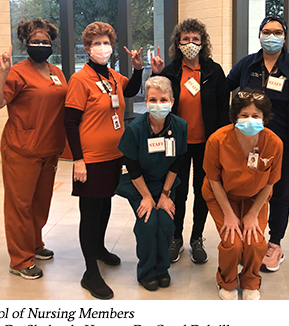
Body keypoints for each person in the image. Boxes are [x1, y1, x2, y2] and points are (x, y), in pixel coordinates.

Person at [227, 15, 289, 272]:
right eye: (267, 31)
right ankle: (249, 239)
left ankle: (275, 244)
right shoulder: (248, 64)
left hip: (285, 144)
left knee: (280, 193)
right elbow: (222, 87)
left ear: (284, 36)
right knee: (249, 190)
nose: (272, 36)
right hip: (249, 143)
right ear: (259, 34)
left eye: (277, 31)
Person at [64, 22, 143, 300]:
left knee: (105, 203)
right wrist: (79, 160)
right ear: (87, 48)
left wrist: (138, 68)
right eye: (96, 43)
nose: (102, 47)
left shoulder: (112, 76)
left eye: (106, 42)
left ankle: (98, 248)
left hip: (113, 155)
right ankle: (89, 272)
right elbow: (71, 122)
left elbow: (131, 90)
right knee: (90, 210)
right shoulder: (80, 80)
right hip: (91, 158)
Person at [0, 18, 67, 280]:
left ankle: (35, 244)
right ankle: (20, 260)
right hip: (21, 148)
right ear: (26, 42)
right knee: (20, 205)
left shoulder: (56, 72)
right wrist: (2, 72)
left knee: (40, 203)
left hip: (50, 147)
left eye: (45, 41)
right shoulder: (18, 72)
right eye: (35, 41)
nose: (41, 45)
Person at [150, 18, 230, 264]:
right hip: (178, 143)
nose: (191, 43)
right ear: (178, 42)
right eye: (186, 39)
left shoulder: (213, 71)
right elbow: (158, 101)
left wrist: (220, 143)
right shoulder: (171, 71)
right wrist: (156, 73)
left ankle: (196, 238)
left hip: (207, 143)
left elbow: (221, 110)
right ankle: (176, 237)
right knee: (178, 192)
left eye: (196, 39)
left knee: (203, 191)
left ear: (202, 42)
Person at [202, 88, 283, 300]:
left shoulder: (274, 144)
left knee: (256, 242)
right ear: (234, 117)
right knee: (232, 242)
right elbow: (214, 180)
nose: (250, 120)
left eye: (256, 116)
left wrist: (252, 214)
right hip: (222, 196)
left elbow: (270, 183)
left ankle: (250, 280)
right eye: (244, 115)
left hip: (255, 199)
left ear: (265, 118)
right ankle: (227, 281)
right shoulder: (217, 140)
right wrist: (229, 214)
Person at [116, 76, 187, 291]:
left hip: (165, 183)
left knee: (165, 222)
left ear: (172, 102)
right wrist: (147, 197)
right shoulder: (136, 129)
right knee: (148, 223)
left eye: (163, 100)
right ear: (146, 102)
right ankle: (147, 271)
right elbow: (132, 166)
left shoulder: (180, 126)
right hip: (138, 184)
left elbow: (178, 163)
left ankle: (162, 268)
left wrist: (165, 194)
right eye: (153, 100)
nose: (158, 105)